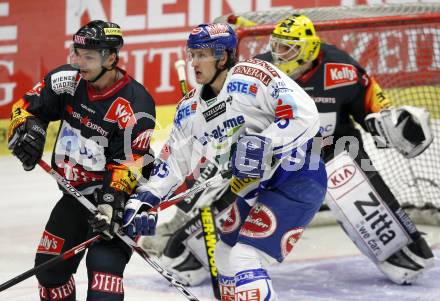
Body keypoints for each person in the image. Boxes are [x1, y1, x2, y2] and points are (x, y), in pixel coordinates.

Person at [146, 14, 435, 289]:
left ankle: (401, 249)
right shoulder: (256, 73)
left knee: (349, 177)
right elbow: (227, 124)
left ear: (308, 48)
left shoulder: (341, 70)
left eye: (287, 48)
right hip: (271, 159)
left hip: (331, 152)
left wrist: (387, 122)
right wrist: (215, 160)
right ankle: (189, 256)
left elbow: (374, 108)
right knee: (224, 216)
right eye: (275, 46)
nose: (279, 54)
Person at [123, 23, 327, 300]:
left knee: (245, 256)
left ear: (223, 57)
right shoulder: (190, 107)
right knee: (224, 253)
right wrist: (146, 197)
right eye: (191, 54)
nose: (193, 62)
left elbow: (304, 115)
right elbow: (175, 160)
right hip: (252, 189)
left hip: (297, 177)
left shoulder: (254, 76)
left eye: (202, 55)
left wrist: (264, 142)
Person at [7, 20, 156, 301]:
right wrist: (25, 128)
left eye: (88, 56)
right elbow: (25, 108)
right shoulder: (67, 80)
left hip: (118, 203)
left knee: (103, 283)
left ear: (111, 58)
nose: (79, 61)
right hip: (75, 198)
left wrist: (112, 202)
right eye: (76, 53)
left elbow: (131, 161)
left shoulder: (136, 105)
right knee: (49, 274)